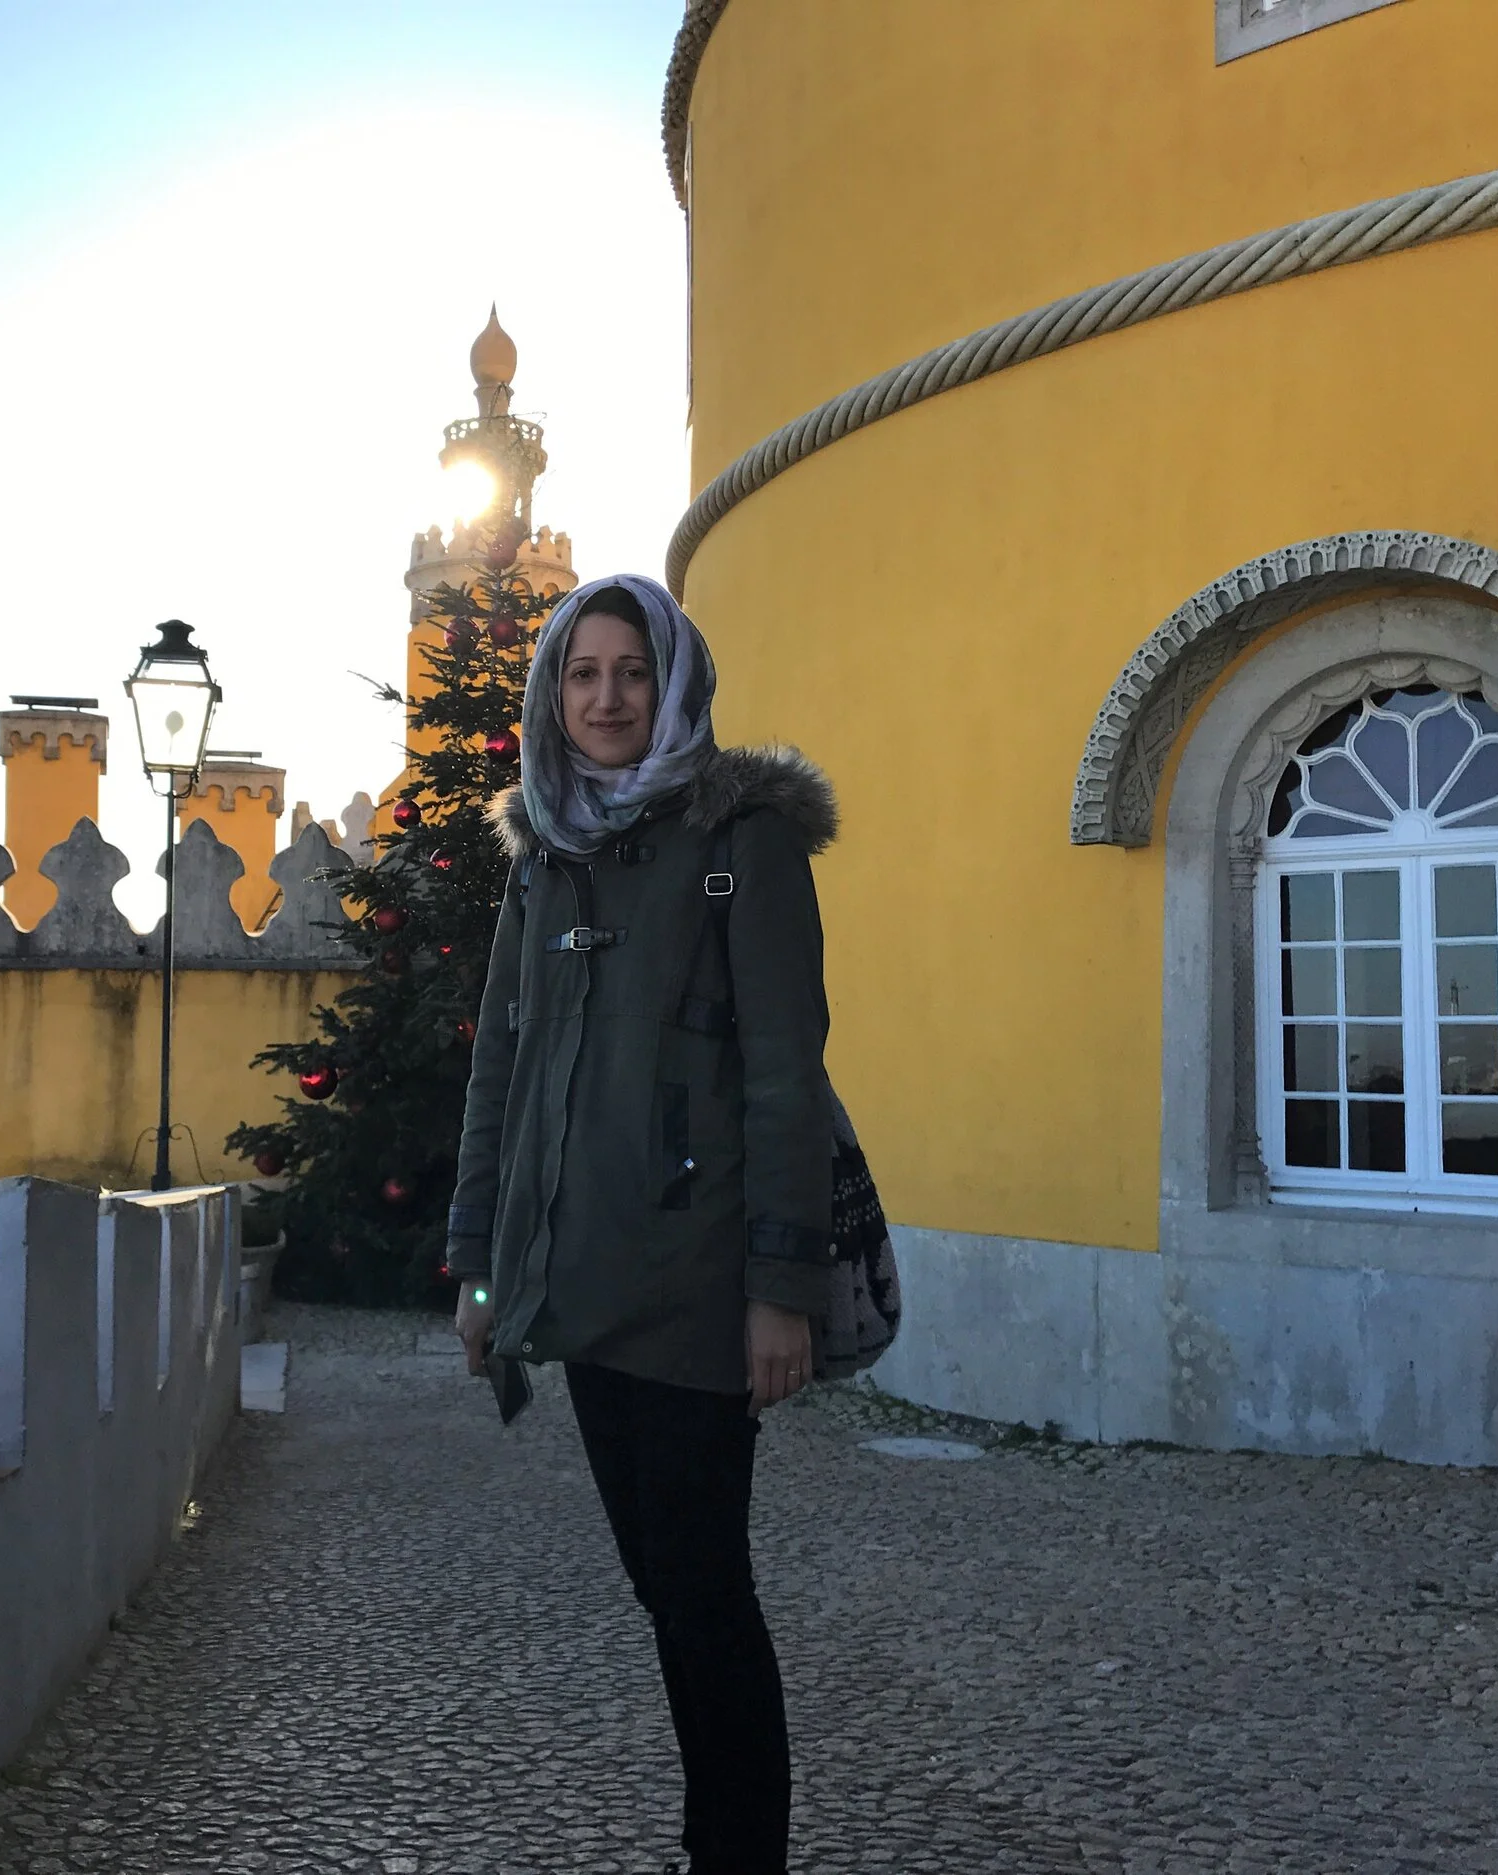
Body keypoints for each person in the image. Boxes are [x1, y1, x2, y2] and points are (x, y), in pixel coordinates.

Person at [447, 572, 837, 1875]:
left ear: (674, 685)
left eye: (632, 671)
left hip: (693, 1279)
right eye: (583, 673)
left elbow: (784, 1073)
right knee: (667, 1594)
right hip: (578, 1277)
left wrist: (780, 1286)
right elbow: (501, 1071)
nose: (607, 698)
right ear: (551, 694)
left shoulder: (743, 839)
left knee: (705, 1597)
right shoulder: (544, 854)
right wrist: (480, 1269)